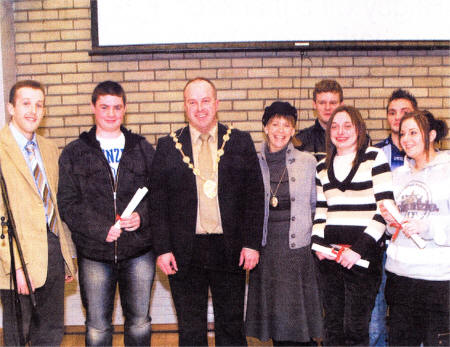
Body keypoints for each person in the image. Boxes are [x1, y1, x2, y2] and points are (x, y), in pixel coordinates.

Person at [150, 77, 264, 346]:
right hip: (184, 251)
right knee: (190, 328)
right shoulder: (168, 146)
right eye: (192, 102)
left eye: (205, 101)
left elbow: (254, 197)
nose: (199, 108)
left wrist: (251, 243)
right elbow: (157, 202)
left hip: (230, 248)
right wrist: (163, 248)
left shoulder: (239, 141)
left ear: (216, 104)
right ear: (184, 107)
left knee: (232, 325)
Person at [57, 81, 155, 346]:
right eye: (104, 107)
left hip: (138, 253)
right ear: (93, 108)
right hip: (95, 254)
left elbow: (159, 195)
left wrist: (142, 217)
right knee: (98, 327)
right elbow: (67, 203)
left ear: (125, 110)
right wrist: (100, 229)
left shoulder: (143, 149)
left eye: (117, 107)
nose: (111, 114)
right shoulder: (74, 153)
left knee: (139, 322)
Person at [0, 80, 76, 345]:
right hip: (17, 257)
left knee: (51, 333)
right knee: (18, 337)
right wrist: (16, 267)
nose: (33, 111)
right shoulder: (0, 149)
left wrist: (65, 256)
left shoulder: (48, 148)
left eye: (39, 104)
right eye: (25, 104)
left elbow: (53, 204)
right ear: (11, 108)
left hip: (52, 251)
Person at [312, 105, 394, 345]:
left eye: (347, 126)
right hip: (330, 260)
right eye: (335, 126)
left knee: (355, 330)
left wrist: (357, 249)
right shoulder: (321, 167)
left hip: (363, 259)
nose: (340, 131)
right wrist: (317, 245)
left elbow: (385, 210)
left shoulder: (374, 157)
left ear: (358, 129)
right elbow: (321, 210)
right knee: (333, 328)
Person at [245, 101, 323, 345]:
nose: (280, 130)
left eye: (286, 125)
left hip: (297, 252)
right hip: (266, 251)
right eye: (274, 124)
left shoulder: (308, 161)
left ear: (293, 130)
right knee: (277, 324)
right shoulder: (252, 162)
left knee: (299, 323)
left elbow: (315, 205)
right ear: (265, 128)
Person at [380, 110, 449, 346]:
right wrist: (390, 224)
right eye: (402, 134)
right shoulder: (397, 176)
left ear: (430, 135)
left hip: (438, 281)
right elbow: (393, 230)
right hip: (401, 279)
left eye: (413, 133)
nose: (406, 139)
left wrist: (426, 226)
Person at [370, 88, 418, 346]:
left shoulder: (427, 158)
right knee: (375, 320)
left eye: (405, 112)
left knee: (410, 320)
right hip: (380, 247)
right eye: (392, 112)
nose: (398, 118)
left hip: (415, 251)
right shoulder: (373, 155)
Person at [295, 79, 343, 161]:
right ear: (314, 105)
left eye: (333, 103)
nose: (327, 108)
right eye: (322, 103)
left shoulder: (358, 140)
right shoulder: (300, 141)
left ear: (341, 105)